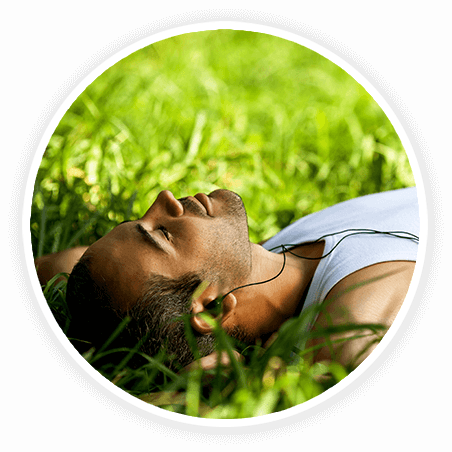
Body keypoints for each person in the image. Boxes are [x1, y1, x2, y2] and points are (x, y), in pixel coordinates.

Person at [34, 187, 419, 370]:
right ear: (212, 306)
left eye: (139, 220)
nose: (164, 200)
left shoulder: (283, 253)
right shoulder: (354, 307)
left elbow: (58, 265)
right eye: (162, 234)